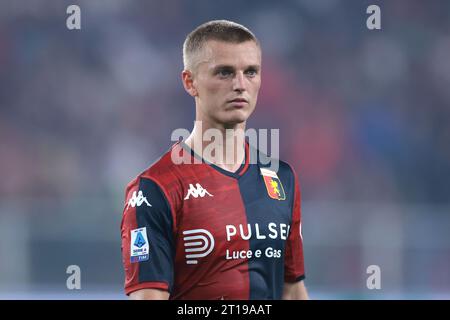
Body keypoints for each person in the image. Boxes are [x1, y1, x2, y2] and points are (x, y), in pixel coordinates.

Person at [120, 20, 309, 300]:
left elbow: (292, 291)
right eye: (224, 73)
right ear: (190, 82)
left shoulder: (281, 177)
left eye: (251, 72)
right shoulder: (154, 189)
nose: (240, 85)